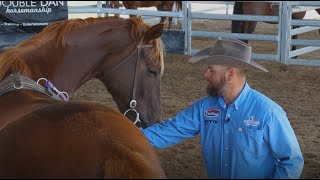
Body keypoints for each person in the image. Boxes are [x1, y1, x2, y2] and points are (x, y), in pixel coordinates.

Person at [140, 38, 304, 179]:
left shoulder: (268, 112)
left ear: (229, 74)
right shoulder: (204, 108)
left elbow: (292, 161)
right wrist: (123, 135)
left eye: (211, 70)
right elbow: (169, 131)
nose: (205, 75)